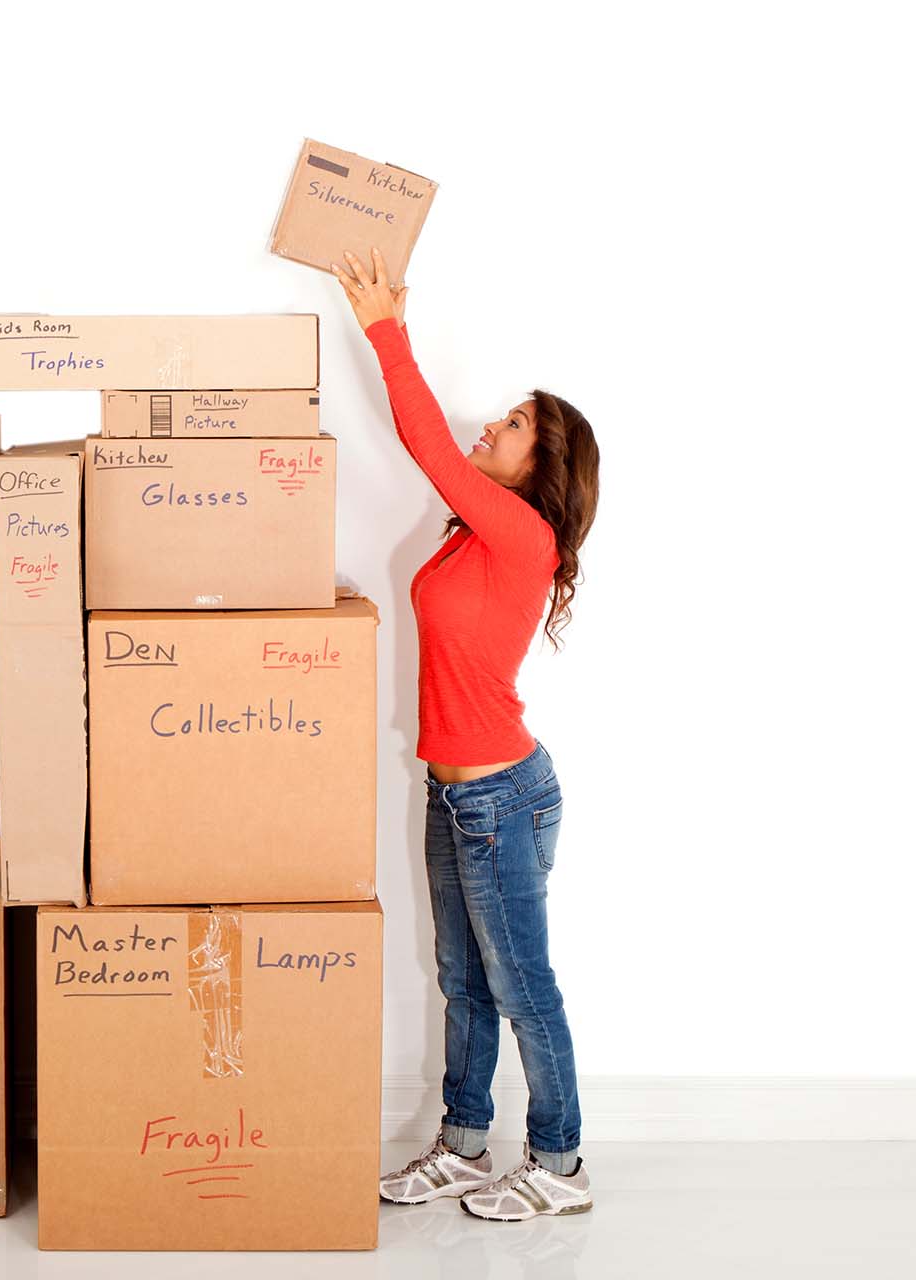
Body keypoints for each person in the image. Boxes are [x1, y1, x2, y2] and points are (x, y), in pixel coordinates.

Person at [332, 248, 601, 1221]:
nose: (491, 425)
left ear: (544, 466)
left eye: (516, 423)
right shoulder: (474, 537)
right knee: (462, 979)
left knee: (523, 984)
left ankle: (561, 1162)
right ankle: (461, 1141)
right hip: (456, 791)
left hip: (500, 795)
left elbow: (429, 446)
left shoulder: (522, 533)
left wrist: (381, 324)